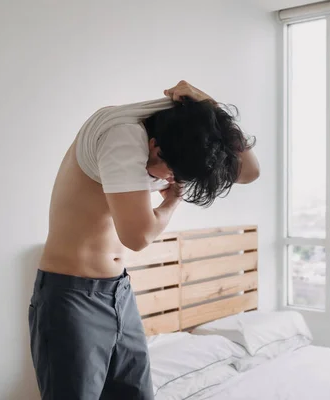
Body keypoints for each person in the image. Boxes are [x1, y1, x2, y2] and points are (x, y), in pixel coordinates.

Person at [28, 81, 260, 399]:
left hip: (119, 291)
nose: (168, 179)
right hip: (71, 296)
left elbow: (249, 171)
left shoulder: (189, 130)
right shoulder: (122, 136)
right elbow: (137, 237)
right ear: (153, 145)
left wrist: (210, 107)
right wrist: (171, 202)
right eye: (169, 171)